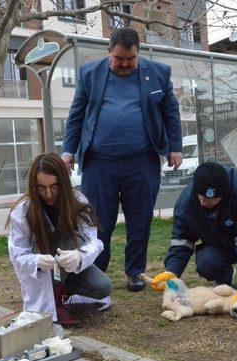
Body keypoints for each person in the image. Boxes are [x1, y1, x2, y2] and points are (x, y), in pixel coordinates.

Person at [62, 27, 183, 292]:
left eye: (131, 58)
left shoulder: (158, 73)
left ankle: (135, 272)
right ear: (109, 53)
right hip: (99, 163)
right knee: (97, 222)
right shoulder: (89, 74)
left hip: (142, 162)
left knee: (139, 220)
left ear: (138, 54)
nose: (125, 64)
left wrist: (175, 147)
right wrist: (68, 152)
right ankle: (96, 272)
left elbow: (170, 112)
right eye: (119, 58)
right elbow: (76, 116)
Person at [152, 162, 237, 313]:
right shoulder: (186, 203)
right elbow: (181, 241)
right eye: (200, 195)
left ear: (224, 194)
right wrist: (172, 272)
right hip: (219, 243)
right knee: (206, 262)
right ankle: (225, 275)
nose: (202, 201)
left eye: (208, 198)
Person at [8, 153, 112, 328]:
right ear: (34, 187)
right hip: (44, 269)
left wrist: (79, 256)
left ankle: (63, 291)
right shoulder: (22, 211)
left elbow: (94, 241)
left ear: (63, 183)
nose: (48, 194)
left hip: (68, 264)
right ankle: (54, 300)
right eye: (41, 188)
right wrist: (37, 260)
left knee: (102, 286)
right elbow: (18, 255)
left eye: (54, 187)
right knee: (61, 237)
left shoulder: (77, 201)